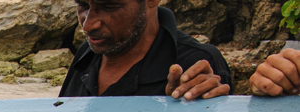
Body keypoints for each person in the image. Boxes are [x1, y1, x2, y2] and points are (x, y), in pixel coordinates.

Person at [58, 0, 232, 98]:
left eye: (109, 6)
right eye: (82, 5)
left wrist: (191, 109)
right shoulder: (87, 52)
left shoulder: (197, 64)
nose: (88, 25)